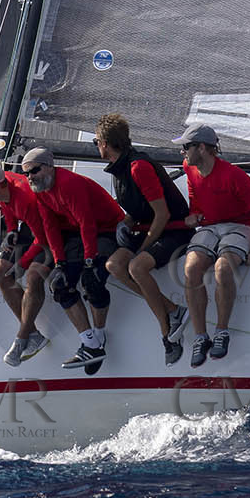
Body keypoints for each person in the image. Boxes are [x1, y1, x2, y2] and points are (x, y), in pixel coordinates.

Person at [17, 147, 127, 372]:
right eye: (26, 173)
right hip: (78, 233)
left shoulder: (69, 184)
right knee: (60, 284)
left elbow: (88, 223)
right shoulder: (40, 190)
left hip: (106, 230)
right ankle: (90, 343)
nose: (30, 177)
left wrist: (89, 261)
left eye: (34, 171)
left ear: (49, 167)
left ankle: (98, 338)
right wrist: (59, 261)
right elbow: (50, 226)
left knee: (91, 280)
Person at [94, 113, 192, 365]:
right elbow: (139, 207)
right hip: (150, 227)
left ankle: (166, 331)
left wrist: (144, 248)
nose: (96, 146)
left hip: (174, 230)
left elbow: (162, 214)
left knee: (137, 266)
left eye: (96, 142)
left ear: (106, 143)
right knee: (114, 265)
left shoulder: (138, 168)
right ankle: (173, 310)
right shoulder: (119, 168)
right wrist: (126, 222)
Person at [174, 124, 250, 367]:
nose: (182, 152)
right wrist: (194, 212)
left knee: (223, 268)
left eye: (185, 147)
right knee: (191, 268)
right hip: (211, 227)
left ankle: (222, 332)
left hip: (241, 226)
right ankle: (200, 337)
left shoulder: (233, 175)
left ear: (201, 148)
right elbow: (194, 192)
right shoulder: (189, 167)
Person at [0, 161, 51, 366]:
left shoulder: (25, 198)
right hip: (32, 227)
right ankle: (33, 335)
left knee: (31, 276)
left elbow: (43, 239)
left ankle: (22, 337)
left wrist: (22, 263)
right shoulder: (3, 186)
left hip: (51, 231)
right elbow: (5, 205)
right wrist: (12, 230)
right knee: (0, 271)